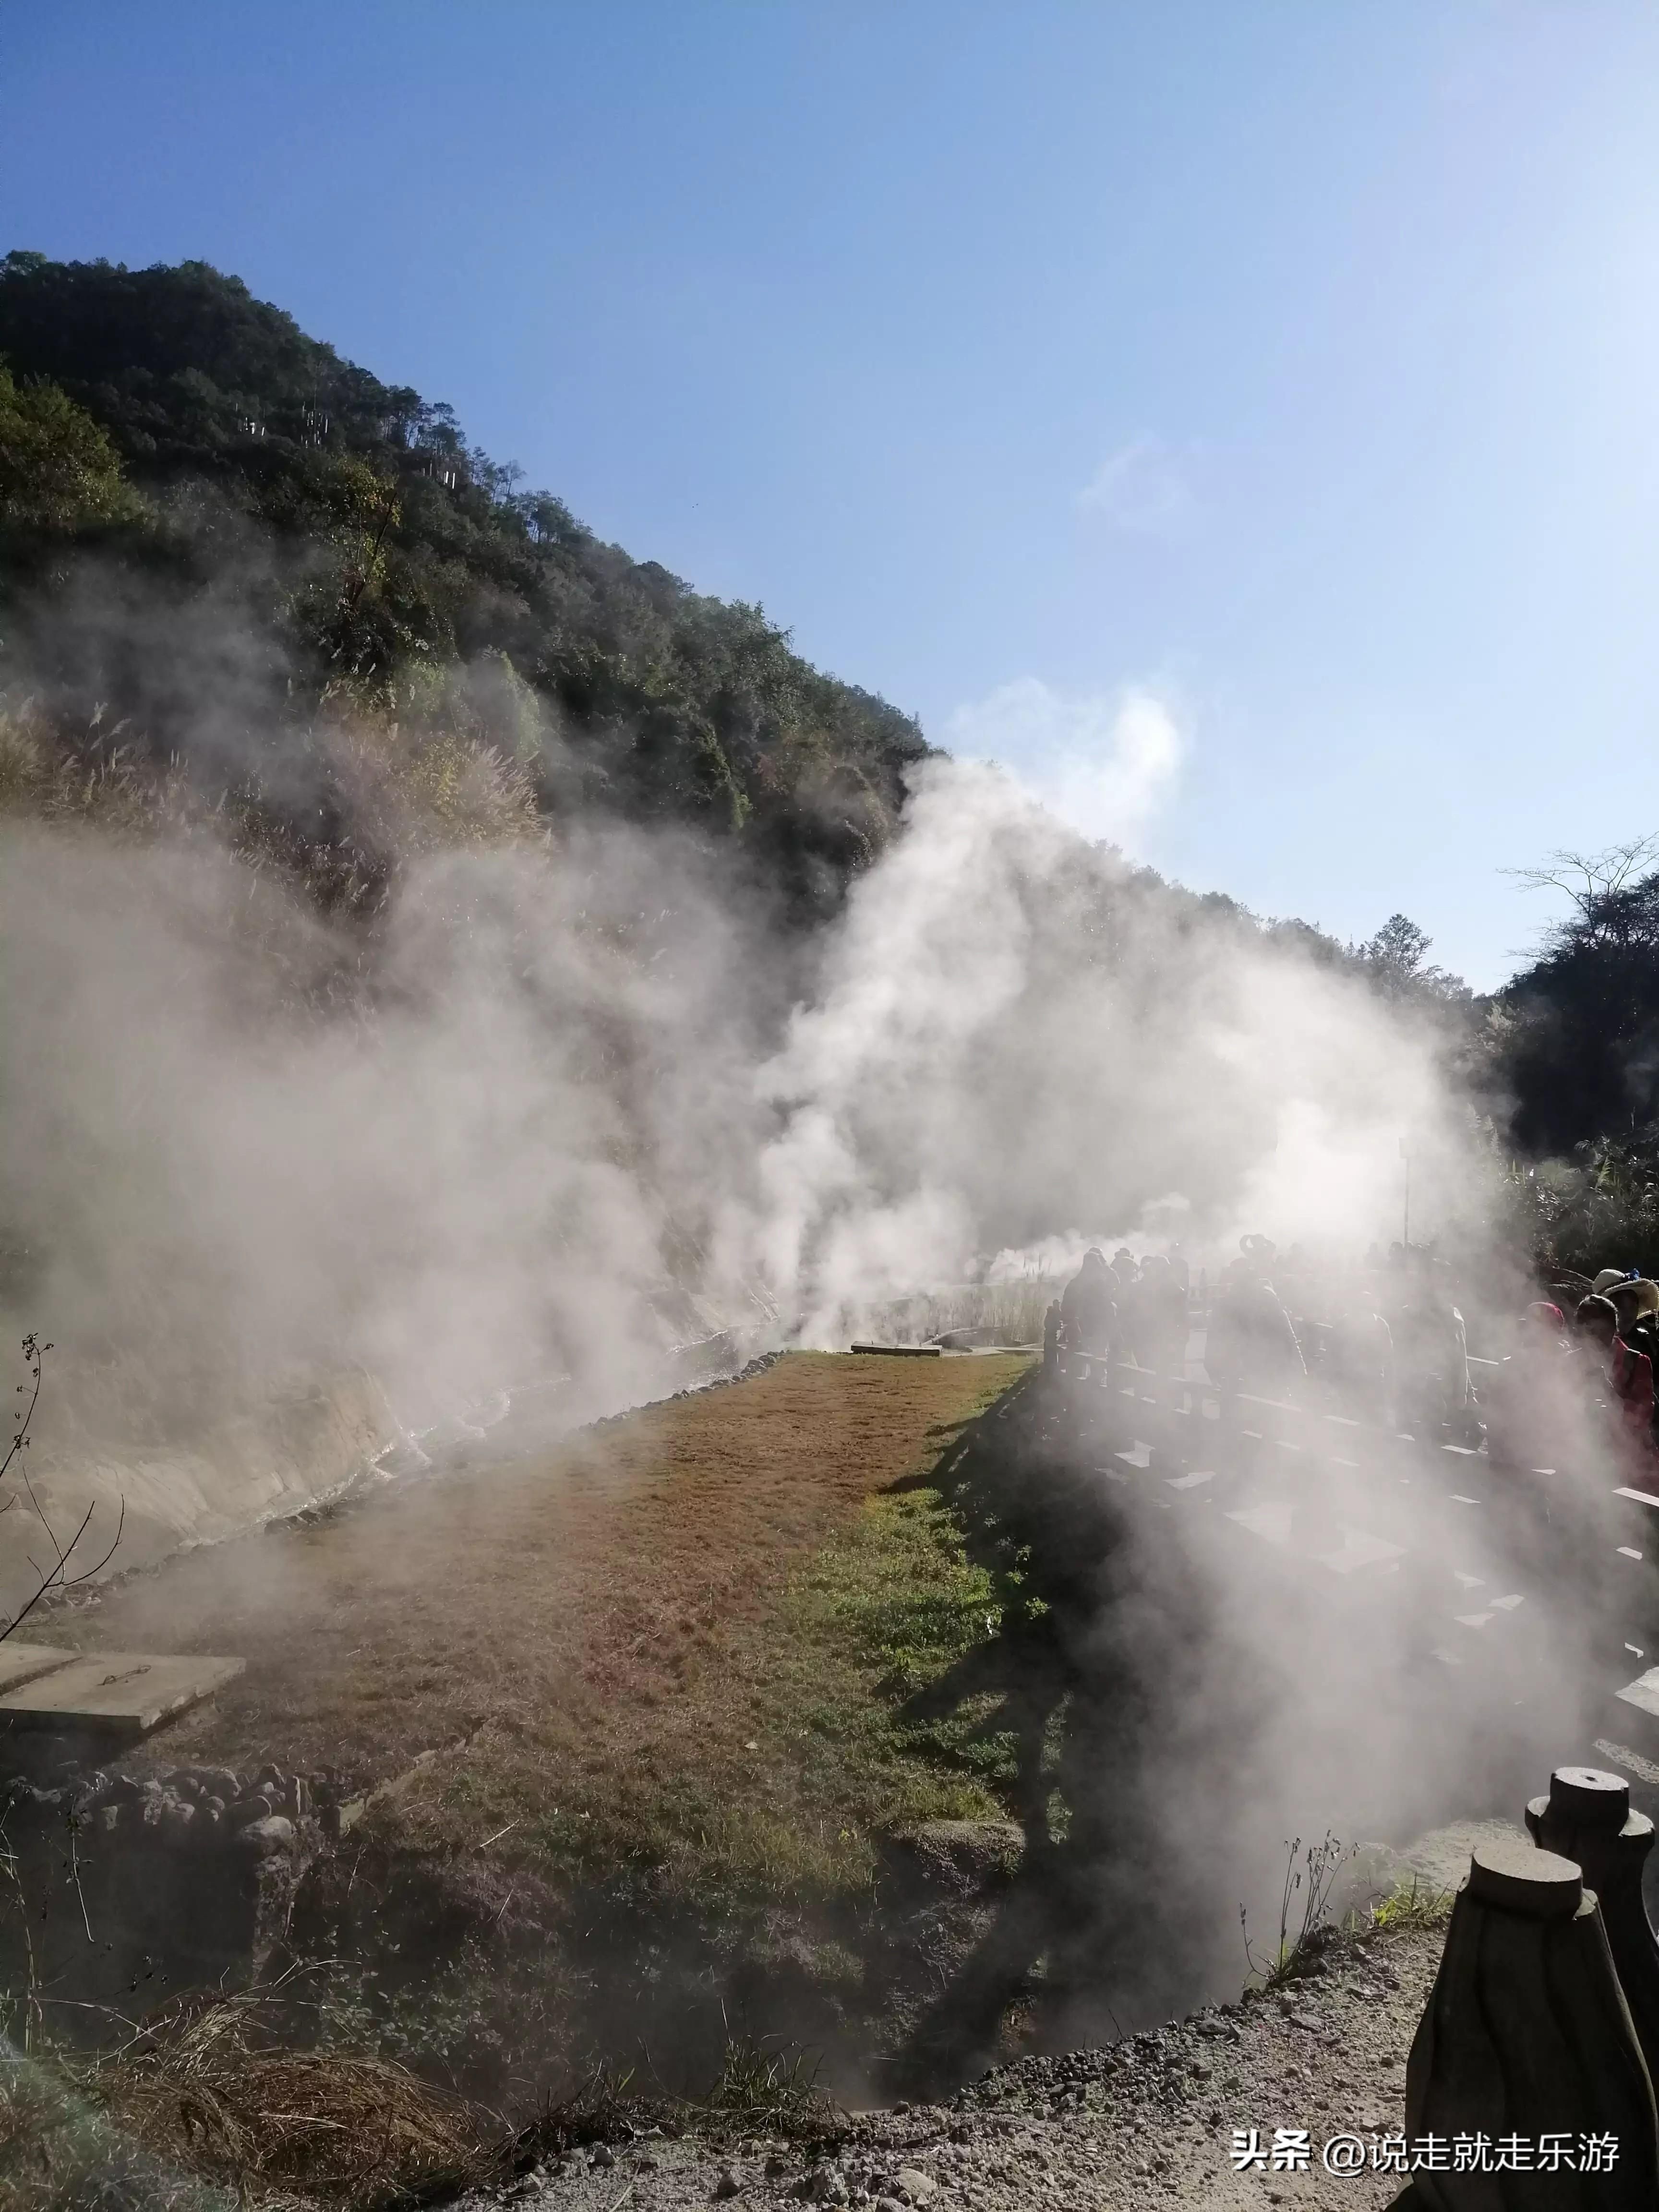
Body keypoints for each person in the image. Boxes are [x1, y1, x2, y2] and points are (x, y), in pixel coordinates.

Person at [1059, 1249, 1115, 1357]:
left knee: (1096, 1362)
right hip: (1082, 1332)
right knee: (1085, 1363)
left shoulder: (1098, 1285)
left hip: (1097, 1332)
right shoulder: (1076, 1285)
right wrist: (1074, 1325)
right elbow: (1066, 1310)